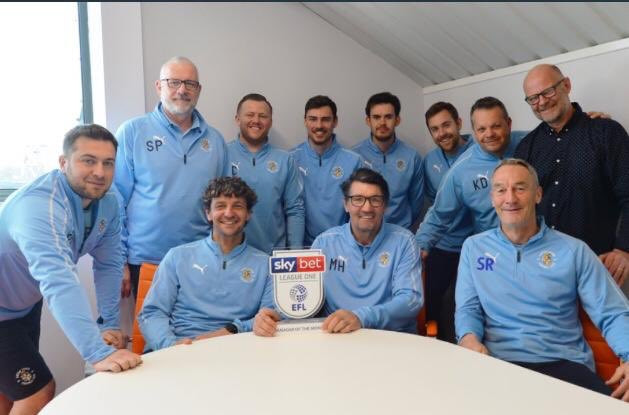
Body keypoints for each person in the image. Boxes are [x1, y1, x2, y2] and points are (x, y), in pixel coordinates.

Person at [455, 158, 629, 400]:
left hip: (564, 365)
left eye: (520, 188)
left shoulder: (574, 250)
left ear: (538, 195)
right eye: (501, 190)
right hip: (498, 363)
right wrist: (468, 338)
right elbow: (468, 308)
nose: (510, 198)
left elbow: (611, 311)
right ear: (492, 198)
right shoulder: (473, 248)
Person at [0, 125, 142, 414]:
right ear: (63, 163)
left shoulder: (108, 201)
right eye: (88, 160)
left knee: (9, 393)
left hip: (24, 305)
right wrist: (97, 352)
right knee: (37, 392)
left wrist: (109, 325)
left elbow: (109, 264)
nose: (100, 172)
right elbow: (59, 280)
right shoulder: (39, 207)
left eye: (108, 163)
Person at [254, 168, 423, 336]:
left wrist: (361, 317)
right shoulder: (324, 244)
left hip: (391, 338)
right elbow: (306, 298)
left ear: (385, 205)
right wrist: (277, 316)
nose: (367, 208)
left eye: (375, 200)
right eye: (358, 199)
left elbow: (411, 301)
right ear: (346, 204)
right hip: (338, 337)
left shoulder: (404, 242)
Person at [114, 56, 228, 298]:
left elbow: (223, 205)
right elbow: (116, 201)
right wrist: (119, 261)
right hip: (146, 260)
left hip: (200, 258)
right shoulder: (132, 132)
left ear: (199, 90)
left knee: (199, 323)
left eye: (190, 84)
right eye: (174, 82)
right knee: (150, 323)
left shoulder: (216, 141)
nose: (182, 90)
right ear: (159, 87)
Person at [515, 64, 629, 287]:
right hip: (543, 270)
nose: (542, 102)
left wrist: (624, 249)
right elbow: (521, 207)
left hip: (600, 266)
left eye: (548, 91)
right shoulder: (526, 147)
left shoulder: (606, 133)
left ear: (566, 85)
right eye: (533, 98)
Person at [138, 177, 273, 351]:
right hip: (179, 348)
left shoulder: (266, 265)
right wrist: (171, 346)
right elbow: (152, 313)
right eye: (220, 206)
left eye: (237, 206)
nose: (229, 213)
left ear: (248, 214)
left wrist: (232, 330)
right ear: (208, 213)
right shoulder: (177, 257)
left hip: (235, 351)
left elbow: (268, 317)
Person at [416, 97, 527, 255]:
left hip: (536, 245)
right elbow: (439, 215)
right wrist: (419, 247)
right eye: (481, 129)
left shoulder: (531, 143)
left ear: (508, 124)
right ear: (474, 131)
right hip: (491, 251)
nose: (489, 134)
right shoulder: (461, 170)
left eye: (496, 126)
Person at [420, 101, 475, 342]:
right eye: (435, 129)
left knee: (464, 305)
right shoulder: (429, 161)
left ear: (459, 123)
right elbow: (435, 207)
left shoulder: (480, 149)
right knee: (433, 305)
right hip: (442, 246)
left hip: (473, 246)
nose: (442, 133)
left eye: (446, 125)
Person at [227, 93, 304, 254]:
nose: (256, 120)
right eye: (250, 115)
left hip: (274, 256)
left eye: (263, 116)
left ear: (270, 122)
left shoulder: (285, 160)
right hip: (231, 255)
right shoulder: (222, 155)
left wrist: (295, 253)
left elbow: (295, 210)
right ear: (237, 119)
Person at [291, 95, 363, 246]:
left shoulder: (354, 161)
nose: (319, 125)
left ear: (335, 122)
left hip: (342, 246)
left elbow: (358, 209)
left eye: (325, 119)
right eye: (313, 119)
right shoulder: (291, 159)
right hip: (303, 248)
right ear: (305, 121)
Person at [352, 92, 424, 230]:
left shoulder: (412, 157)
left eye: (388, 117)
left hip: (401, 232)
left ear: (397, 120)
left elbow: (416, 203)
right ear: (368, 121)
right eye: (376, 117)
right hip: (364, 232)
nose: (382, 123)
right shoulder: (354, 156)